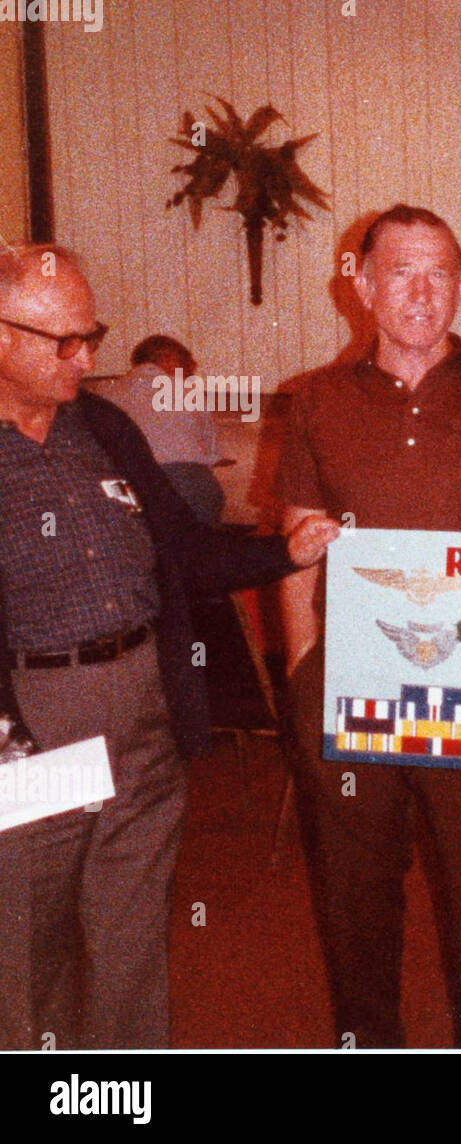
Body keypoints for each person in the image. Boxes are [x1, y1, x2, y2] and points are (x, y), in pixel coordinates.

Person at [0, 243, 338, 1049]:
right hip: (35, 721)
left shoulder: (104, 426)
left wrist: (283, 554)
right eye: (64, 342)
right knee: (25, 945)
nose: (87, 358)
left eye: (93, 335)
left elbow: (184, 551)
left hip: (142, 703)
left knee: (130, 936)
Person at [276, 204, 461, 1048]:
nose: (421, 290)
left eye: (440, 271)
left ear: (459, 286)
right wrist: (304, 674)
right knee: (357, 891)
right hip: (352, 686)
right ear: (360, 283)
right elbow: (296, 545)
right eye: (400, 270)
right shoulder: (317, 400)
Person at [95, 335, 228, 525]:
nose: (192, 372)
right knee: (197, 550)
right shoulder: (187, 392)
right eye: (187, 365)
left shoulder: (106, 392)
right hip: (189, 485)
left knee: (136, 549)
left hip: (128, 488)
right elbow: (213, 453)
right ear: (169, 360)